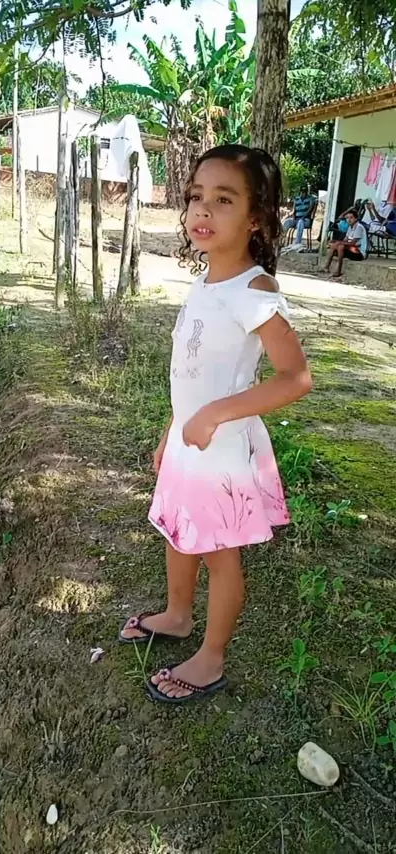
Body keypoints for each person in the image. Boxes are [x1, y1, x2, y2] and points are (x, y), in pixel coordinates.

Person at [119, 144, 312, 703]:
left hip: (222, 451)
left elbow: (296, 378)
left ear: (256, 217)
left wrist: (213, 415)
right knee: (178, 530)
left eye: (224, 200)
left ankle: (211, 657)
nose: (202, 210)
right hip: (190, 442)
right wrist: (172, 430)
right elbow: (192, 374)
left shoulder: (254, 291)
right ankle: (178, 615)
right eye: (195, 197)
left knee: (220, 554)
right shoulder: (207, 281)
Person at [323, 208, 368, 278]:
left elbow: (353, 243)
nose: (349, 220)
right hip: (351, 250)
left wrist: (339, 242)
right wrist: (335, 241)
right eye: (347, 218)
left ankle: (338, 270)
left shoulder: (359, 227)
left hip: (359, 253)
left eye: (351, 218)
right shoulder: (350, 227)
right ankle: (326, 267)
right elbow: (345, 240)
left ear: (356, 219)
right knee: (335, 245)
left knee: (340, 246)